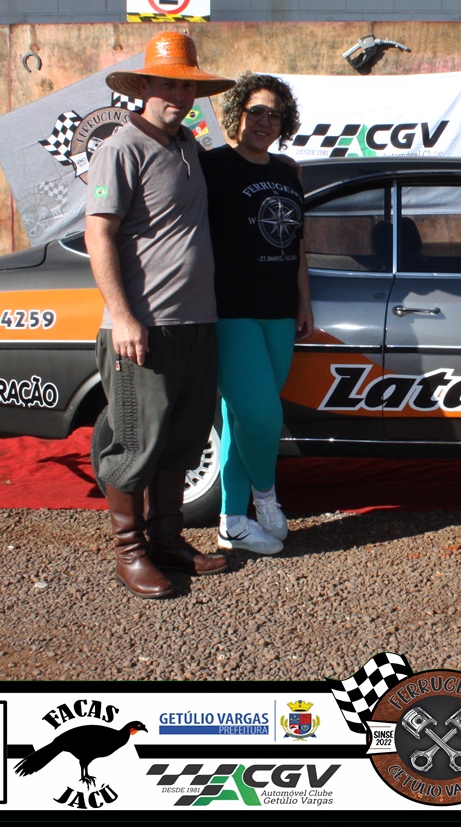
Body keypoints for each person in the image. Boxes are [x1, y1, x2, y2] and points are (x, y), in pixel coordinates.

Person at [85, 31, 235, 597]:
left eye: (187, 86)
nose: (178, 94)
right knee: (135, 443)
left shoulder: (187, 147)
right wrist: (122, 316)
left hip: (196, 322)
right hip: (143, 327)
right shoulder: (121, 148)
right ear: (144, 85)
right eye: (168, 84)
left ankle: (168, 537)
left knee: (184, 438)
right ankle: (130, 551)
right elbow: (99, 234)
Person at [200, 73, 313, 555]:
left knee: (241, 419)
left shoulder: (288, 172)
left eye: (275, 114)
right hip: (231, 310)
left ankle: (232, 522)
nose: (265, 121)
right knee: (262, 414)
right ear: (237, 115)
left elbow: (297, 243)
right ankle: (266, 498)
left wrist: (304, 301)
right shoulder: (212, 167)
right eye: (257, 111)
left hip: (279, 311)